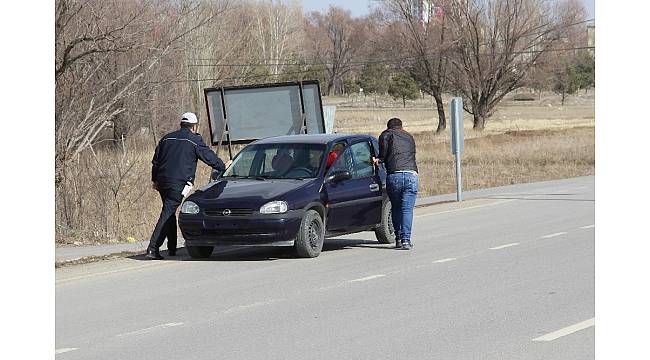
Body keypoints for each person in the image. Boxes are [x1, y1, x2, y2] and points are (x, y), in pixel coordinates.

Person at [147, 112, 230, 260]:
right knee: (167, 212)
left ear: (182, 124)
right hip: (178, 182)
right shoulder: (194, 140)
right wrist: (223, 166)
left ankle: (172, 248)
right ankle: (153, 248)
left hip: (162, 181)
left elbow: (155, 162)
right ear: (194, 127)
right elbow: (208, 157)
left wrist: (155, 180)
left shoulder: (166, 138)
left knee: (169, 210)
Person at [373, 118, 418, 250]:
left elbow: (383, 156)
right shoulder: (409, 137)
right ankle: (406, 240)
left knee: (396, 208)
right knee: (407, 210)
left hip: (395, 175)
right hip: (411, 175)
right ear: (401, 126)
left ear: (389, 127)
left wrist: (377, 160)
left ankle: (398, 238)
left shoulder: (386, 135)